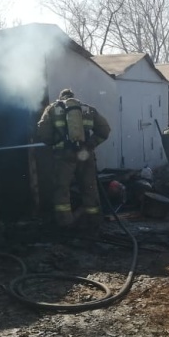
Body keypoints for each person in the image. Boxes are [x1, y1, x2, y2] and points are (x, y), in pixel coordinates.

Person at [36, 88, 111, 231]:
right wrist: (90, 144)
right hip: (85, 154)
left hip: (64, 155)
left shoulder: (52, 109)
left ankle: (65, 224)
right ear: (74, 98)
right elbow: (105, 130)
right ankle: (94, 222)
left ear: (61, 98)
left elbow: (43, 133)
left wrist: (55, 143)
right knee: (89, 188)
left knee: (62, 189)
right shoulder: (87, 109)